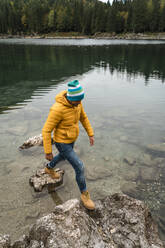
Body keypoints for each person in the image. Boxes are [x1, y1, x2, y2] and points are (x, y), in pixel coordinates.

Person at [42, 80, 95, 210]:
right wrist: (48, 151)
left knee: (63, 156)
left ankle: (49, 168)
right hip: (61, 141)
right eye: (77, 100)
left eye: (80, 100)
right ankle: (85, 195)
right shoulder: (57, 109)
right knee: (79, 166)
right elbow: (46, 130)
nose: (79, 103)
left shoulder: (77, 104)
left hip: (71, 138)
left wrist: (90, 133)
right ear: (71, 98)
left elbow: (84, 118)